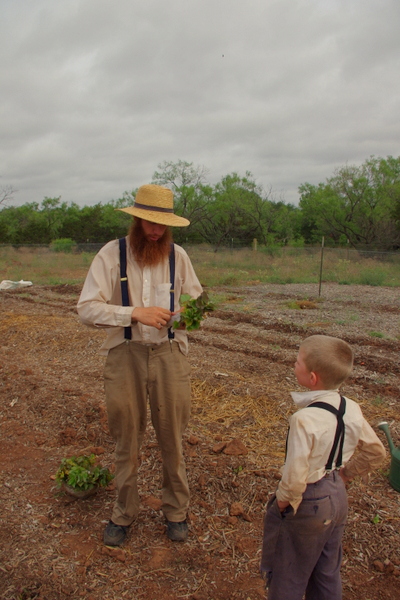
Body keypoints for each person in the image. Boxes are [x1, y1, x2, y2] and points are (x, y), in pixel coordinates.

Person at [77, 184, 202, 546]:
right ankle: (124, 513)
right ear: (136, 218)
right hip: (125, 356)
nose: (156, 231)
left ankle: (176, 511)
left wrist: (185, 316)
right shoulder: (111, 255)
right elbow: (86, 308)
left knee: (172, 439)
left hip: (170, 357)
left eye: (162, 224)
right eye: (149, 222)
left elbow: (197, 304)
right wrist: (134, 313)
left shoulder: (178, 256)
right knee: (126, 438)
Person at [260, 334, 386, 600]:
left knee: (289, 576)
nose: (294, 365)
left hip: (310, 502)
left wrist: (282, 504)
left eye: (297, 362)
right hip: (337, 496)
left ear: (312, 378)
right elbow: (376, 451)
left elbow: (295, 479)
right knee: (327, 572)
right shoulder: (351, 407)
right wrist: (345, 474)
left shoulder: (304, 419)